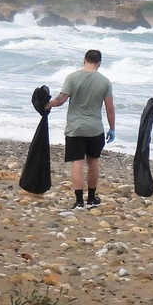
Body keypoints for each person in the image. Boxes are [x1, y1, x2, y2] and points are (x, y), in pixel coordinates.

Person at [45, 49, 116, 210]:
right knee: (93, 163)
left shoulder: (72, 77)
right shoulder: (105, 81)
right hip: (95, 129)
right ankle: (91, 198)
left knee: (77, 163)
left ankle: (78, 201)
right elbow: (110, 108)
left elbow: (60, 100)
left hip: (75, 128)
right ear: (99, 63)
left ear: (84, 60)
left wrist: (46, 105)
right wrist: (112, 128)